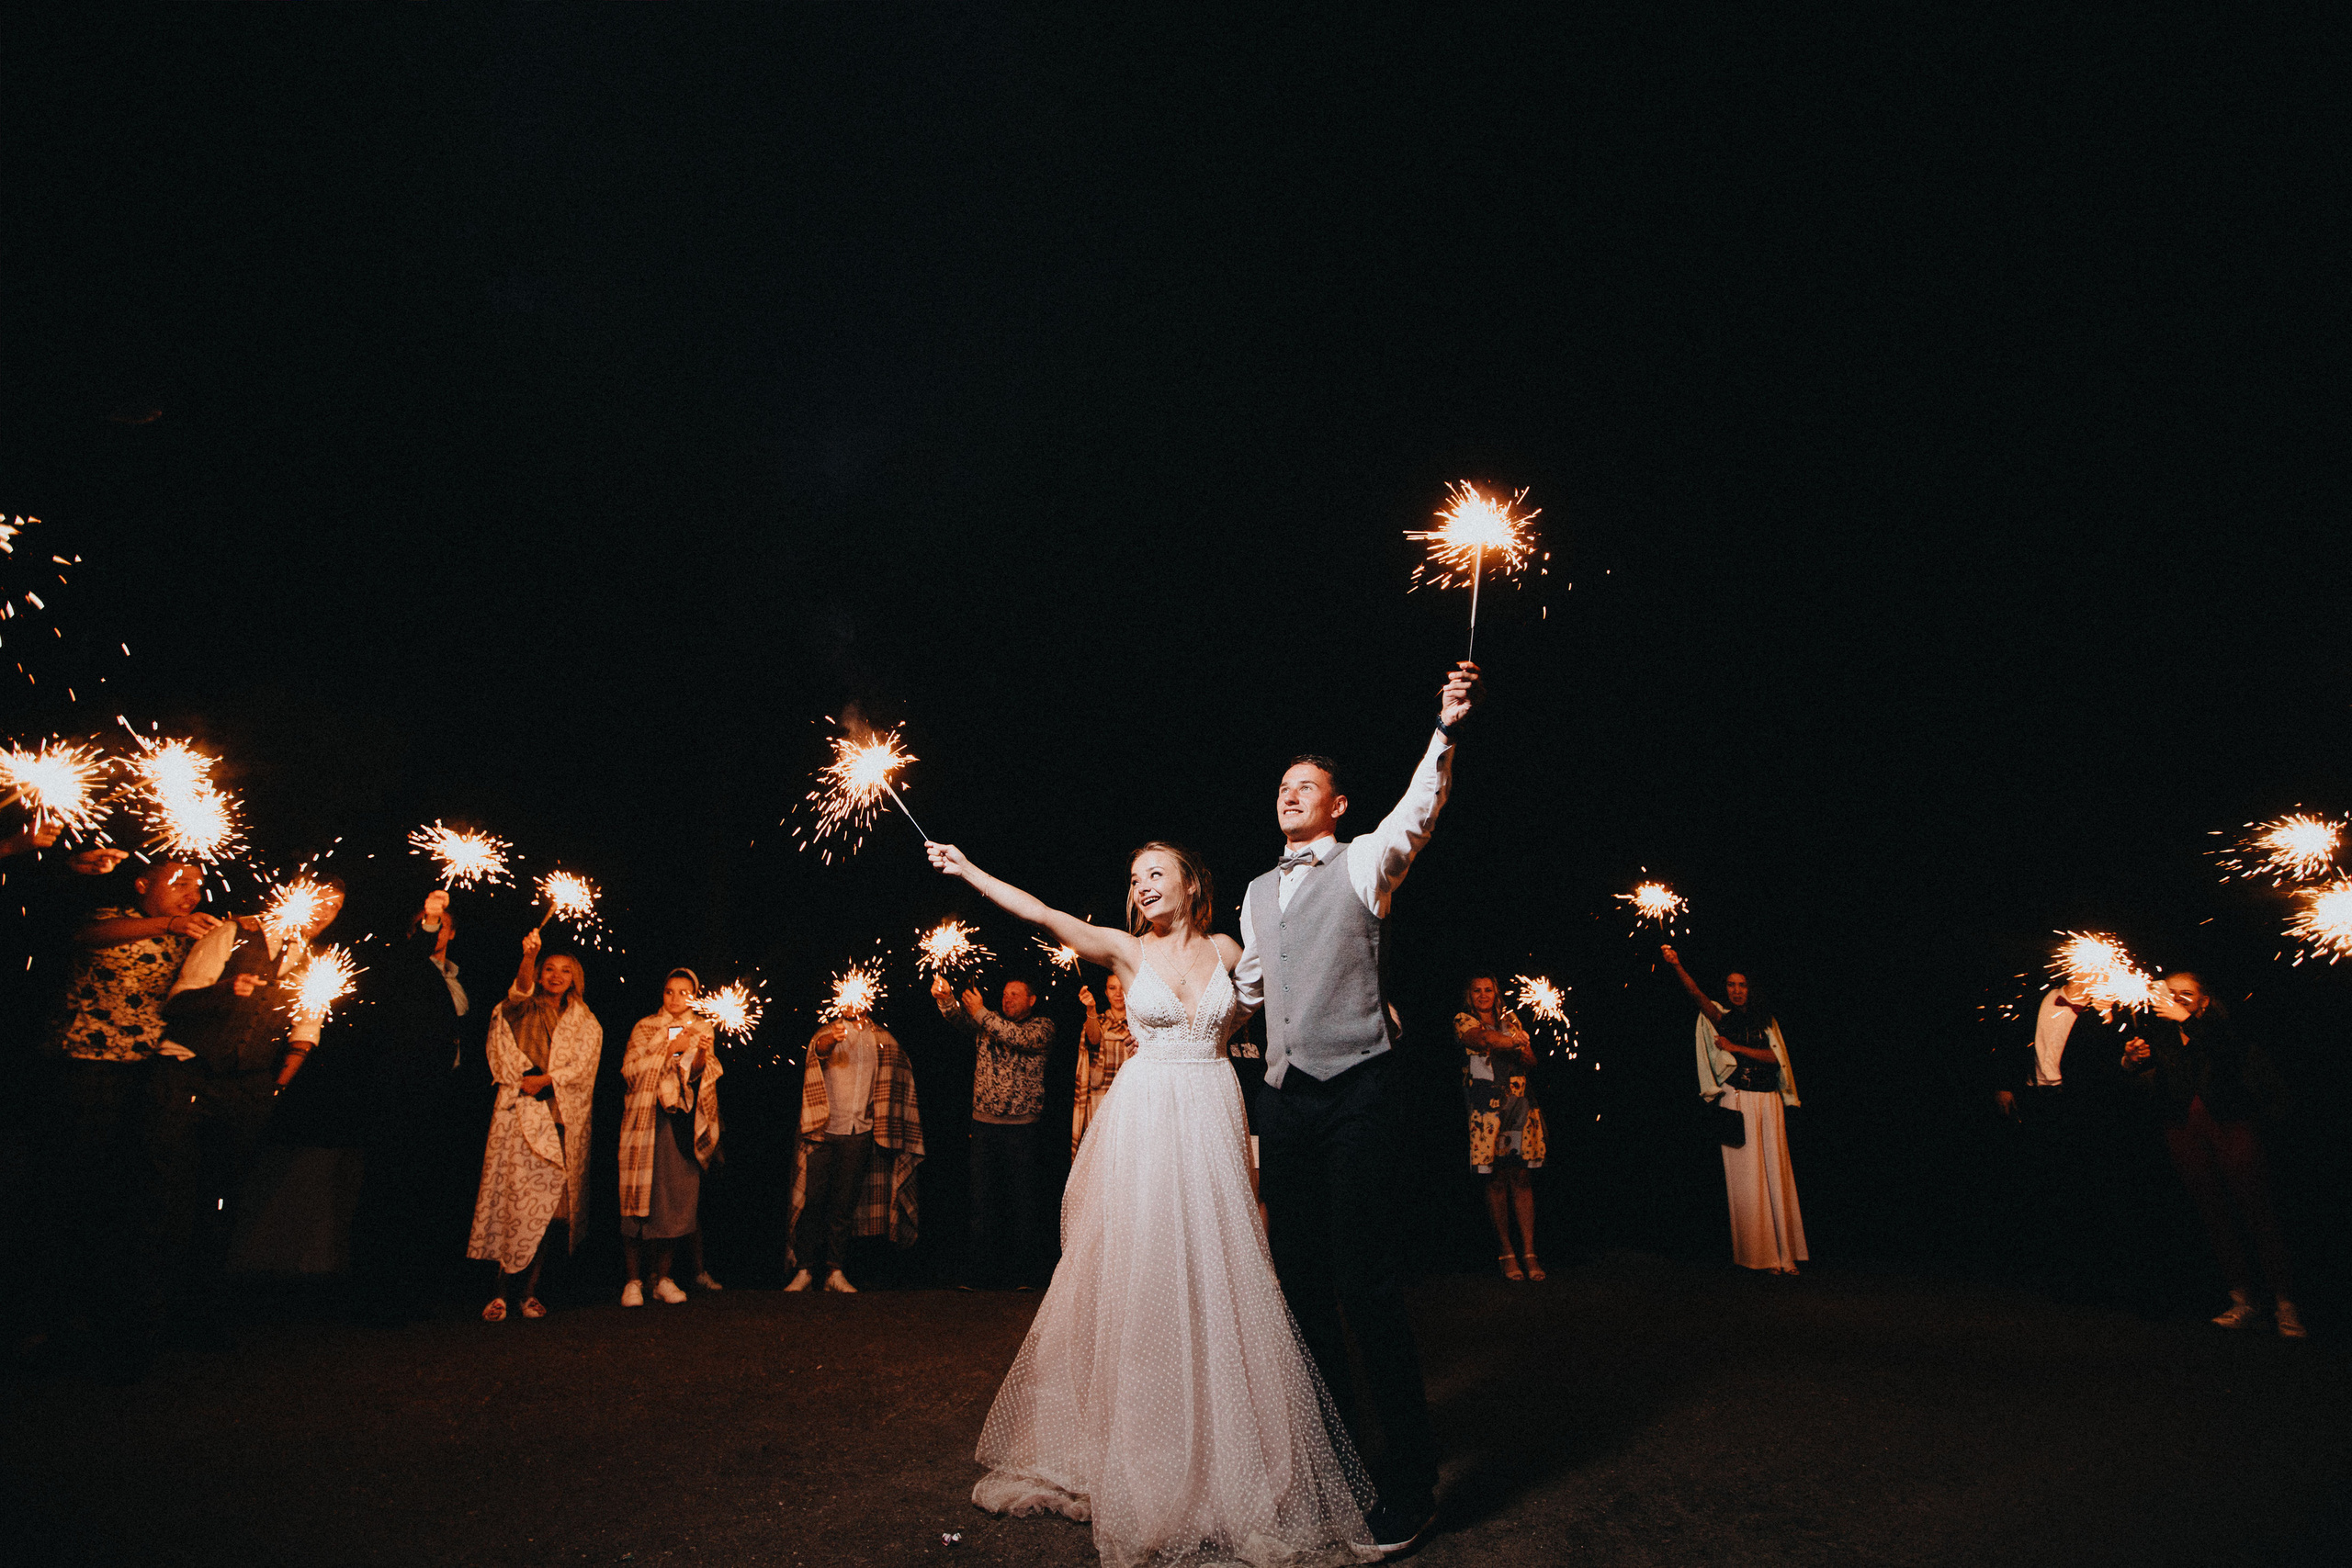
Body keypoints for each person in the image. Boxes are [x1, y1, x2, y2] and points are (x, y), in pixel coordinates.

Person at [928, 835, 1376, 1567]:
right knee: (1146, 1278)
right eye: (1135, 878)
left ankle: (1225, 1452)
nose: (1142, 886)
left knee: (1221, 1274)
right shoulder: (1127, 951)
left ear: (1191, 882)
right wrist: (969, 868)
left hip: (1213, 1107)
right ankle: (1142, 1455)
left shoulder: (1232, 948)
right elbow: (1041, 912)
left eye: (1155, 873)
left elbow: (1299, 972)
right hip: (1144, 1120)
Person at [1230, 660, 1482, 1557]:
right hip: (1284, 1102)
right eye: (1282, 787)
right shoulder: (1256, 896)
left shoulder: (1367, 861)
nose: (1289, 795)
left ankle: (1409, 1486)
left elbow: (1422, 806)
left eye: (1306, 787)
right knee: (1299, 1294)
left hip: (1362, 1090)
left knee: (1366, 1286)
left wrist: (1444, 728)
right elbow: (1248, 993)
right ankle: (1336, 1465)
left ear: (1337, 806)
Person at [149, 876, 344, 1337]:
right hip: (186, 1074)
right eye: (319, 901)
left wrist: (275, 1086)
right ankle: (143, 1322)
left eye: (334, 909)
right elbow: (175, 1002)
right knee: (165, 1196)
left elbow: (305, 1031)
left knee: (224, 1198)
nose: (323, 913)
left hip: (249, 1088)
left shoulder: (316, 961)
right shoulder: (234, 933)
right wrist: (225, 990)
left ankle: (199, 1318)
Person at [42, 859, 216, 1368]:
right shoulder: (110, 915)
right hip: (85, 1068)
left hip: (147, 1075)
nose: (190, 894)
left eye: (197, 886)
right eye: (178, 884)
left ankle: (118, 1323)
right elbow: (86, 934)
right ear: (144, 886)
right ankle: (51, 1322)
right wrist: (168, 923)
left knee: (131, 1195)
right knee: (73, 1189)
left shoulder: (193, 934)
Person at [2125, 974, 2301, 1337]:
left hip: (2229, 1125)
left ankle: (2286, 1305)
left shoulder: (2225, 1026)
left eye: (2186, 995)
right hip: (2183, 1129)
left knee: (2257, 1210)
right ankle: (2242, 1300)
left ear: (2203, 1000)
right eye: (2171, 994)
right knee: (2213, 1212)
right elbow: (2151, 1080)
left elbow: (2230, 1055)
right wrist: (2130, 1062)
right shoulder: (2161, 1033)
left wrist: (2185, 1019)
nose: (2176, 999)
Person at [347, 888, 471, 1324]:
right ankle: (371, 1294)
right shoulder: (402, 963)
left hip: (440, 1093)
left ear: (453, 934)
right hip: (401, 1092)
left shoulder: (455, 976)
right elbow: (417, 952)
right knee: (388, 1187)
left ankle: (415, 1290)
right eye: (426, 922)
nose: (434, 928)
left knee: (425, 1190)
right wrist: (430, 914)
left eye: (441, 924)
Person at [467, 930, 600, 1320]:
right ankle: (499, 1293)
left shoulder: (585, 1022)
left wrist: (548, 1080)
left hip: (560, 1121)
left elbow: (583, 1070)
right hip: (521, 1118)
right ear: (541, 975)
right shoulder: (524, 1007)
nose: (556, 976)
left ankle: (529, 1292)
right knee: (512, 1205)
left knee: (548, 1214)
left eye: (565, 971)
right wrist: (529, 955)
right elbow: (518, 993)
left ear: (575, 978)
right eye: (549, 969)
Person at [1994, 970, 2143, 1302]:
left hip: (2082, 1107)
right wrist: (2004, 1084)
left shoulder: (2110, 1008)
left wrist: (2110, 1024)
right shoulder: (2037, 997)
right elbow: (2011, 1037)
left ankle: (2093, 1277)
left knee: (2086, 1184)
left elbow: (2117, 1063)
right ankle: (2041, 1272)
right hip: (2034, 1101)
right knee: (2040, 1182)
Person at [1665, 946, 1806, 1275]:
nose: (1737, 991)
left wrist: (1736, 1048)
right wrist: (1676, 965)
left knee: (1776, 1172)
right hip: (1738, 1099)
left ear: (1749, 988)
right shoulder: (1721, 1018)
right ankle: (1762, 1257)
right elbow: (1695, 993)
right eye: (1731, 985)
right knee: (1748, 1178)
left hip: (1768, 1098)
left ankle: (1785, 1254)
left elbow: (1775, 1059)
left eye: (1741, 985)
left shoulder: (1765, 1020)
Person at [786, 1001, 922, 1292]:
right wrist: (830, 1041)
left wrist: (883, 1114)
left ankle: (834, 1272)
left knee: (843, 1207)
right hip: (823, 1130)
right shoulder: (827, 1032)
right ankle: (805, 1270)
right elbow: (817, 1052)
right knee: (812, 1202)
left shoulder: (882, 1039)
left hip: (858, 1132)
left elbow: (898, 1075)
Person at [931, 972, 1054, 1290]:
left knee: (1022, 1203)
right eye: (1005, 994)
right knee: (982, 1202)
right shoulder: (987, 1022)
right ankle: (978, 1274)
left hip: (1022, 1129)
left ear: (1031, 1000)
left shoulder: (1043, 1027)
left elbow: (1017, 1038)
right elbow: (960, 1019)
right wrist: (945, 998)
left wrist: (981, 1012)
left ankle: (1025, 1275)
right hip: (984, 1125)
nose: (1007, 998)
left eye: (1015, 994)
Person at [617, 969, 722, 1307]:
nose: (676, 999)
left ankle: (663, 1277)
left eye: (684, 993)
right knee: (637, 1197)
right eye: (669, 992)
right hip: (643, 1120)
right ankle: (634, 1280)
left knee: (674, 1199)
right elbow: (630, 1071)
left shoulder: (702, 1028)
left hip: (678, 1123)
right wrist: (666, 1049)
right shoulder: (644, 1026)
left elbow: (695, 1076)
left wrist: (700, 1054)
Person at [1456, 973, 1547, 1281]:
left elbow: (1532, 1061)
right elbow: (1482, 1040)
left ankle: (1530, 1251)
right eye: (1477, 990)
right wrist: (1512, 1042)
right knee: (1495, 1179)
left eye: (1488, 990)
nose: (1483, 995)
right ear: (1470, 995)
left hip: (1519, 1104)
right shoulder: (1464, 1019)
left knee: (1521, 1176)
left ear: (1496, 993)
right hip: (1486, 1111)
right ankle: (1506, 1252)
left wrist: (1524, 1047)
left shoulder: (1512, 1020)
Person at [1070, 972, 1131, 1157]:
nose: (1118, 993)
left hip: (1129, 1097)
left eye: (1122, 988)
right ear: (1106, 992)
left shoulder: (1140, 1024)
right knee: (1100, 1153)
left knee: (1126, 1151)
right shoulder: (1100, 1021)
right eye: (1112, 988)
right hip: (1100, 1096)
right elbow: (1093, 1038)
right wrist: (1091, 1009)